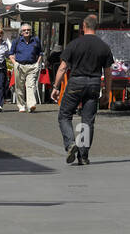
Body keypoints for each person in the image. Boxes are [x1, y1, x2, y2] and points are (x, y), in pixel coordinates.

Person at [52, 15, 113, 165]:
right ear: (96, 27)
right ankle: (83, 156)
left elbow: (62, 68)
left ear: (84, 26)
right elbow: (108, 73)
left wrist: (55, 87)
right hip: (94, 84)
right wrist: (107, 92)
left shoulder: (75, 44)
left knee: (65, 115)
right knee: (87, 120)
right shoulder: (103, 46)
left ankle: (71, 143)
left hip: (76, 82)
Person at [10, 23, 44, 113]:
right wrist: (15, 63)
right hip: (19, 66)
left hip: (32, 66)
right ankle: (21, 105)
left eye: (28, 30)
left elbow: (40, 53)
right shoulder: (16, 41)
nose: (26, 31)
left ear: (31, 31)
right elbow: (10, 54)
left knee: (31, 86)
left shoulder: (36, 40)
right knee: (19, 86)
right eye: (24, 30)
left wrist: (37, 63)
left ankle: (31, 105)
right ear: (21, 32)